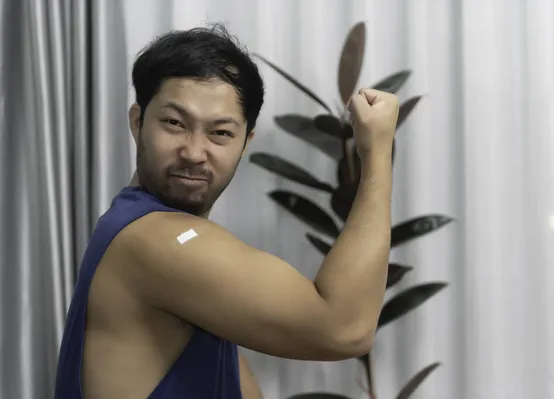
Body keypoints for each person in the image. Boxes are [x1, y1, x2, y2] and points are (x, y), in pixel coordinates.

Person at [54, 24, 399, 399]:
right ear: (138, 122)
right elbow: (346, 330)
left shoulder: (153, 237)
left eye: (219, 133)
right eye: (174, 123)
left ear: (245, 142)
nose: (193, 152)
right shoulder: (156, 239)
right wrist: (377, 152)